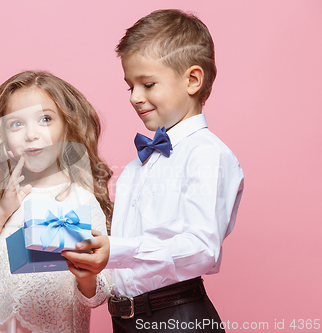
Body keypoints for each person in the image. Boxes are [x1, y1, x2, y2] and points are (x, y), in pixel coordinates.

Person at [62, 9, 244, 333]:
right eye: (129, 86)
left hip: (178, 317)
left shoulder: (207, 154)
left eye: (147, 84)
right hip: (126, 320)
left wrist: (116, 250)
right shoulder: (135, 168)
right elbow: (122, 265)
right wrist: (92, 263)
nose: (135, 97)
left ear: (192, 79)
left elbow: (203, 248)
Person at [0, 71, 113, 333]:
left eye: (45, 119)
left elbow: (97, 296)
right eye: (16, 124)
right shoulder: (5, 194)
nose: (31, 134)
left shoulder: (82, 200)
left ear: (67, 125)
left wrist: (88, 273)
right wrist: (0, 214)